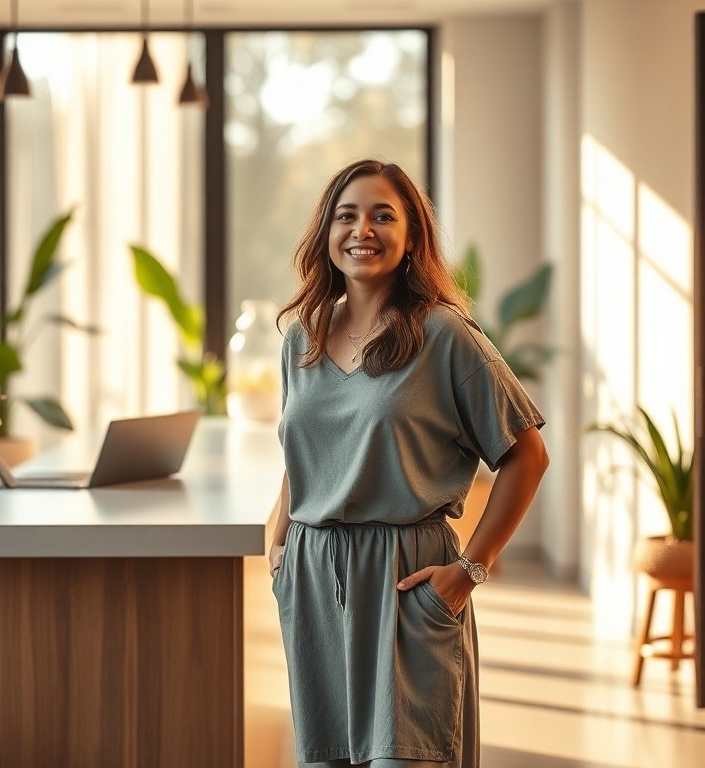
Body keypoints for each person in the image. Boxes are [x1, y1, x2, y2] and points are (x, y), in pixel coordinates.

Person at [268, 158, 549, 768]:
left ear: (411, 236)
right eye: (347, 215)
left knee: (412, 757)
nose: (361, 229)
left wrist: (470, 569)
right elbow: (303, 447)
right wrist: (280, 535)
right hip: (316, 582)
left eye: (382, 215)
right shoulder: (302, 337)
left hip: (406, 582)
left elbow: (527, 455)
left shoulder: (445, 335)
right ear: (326, 233)